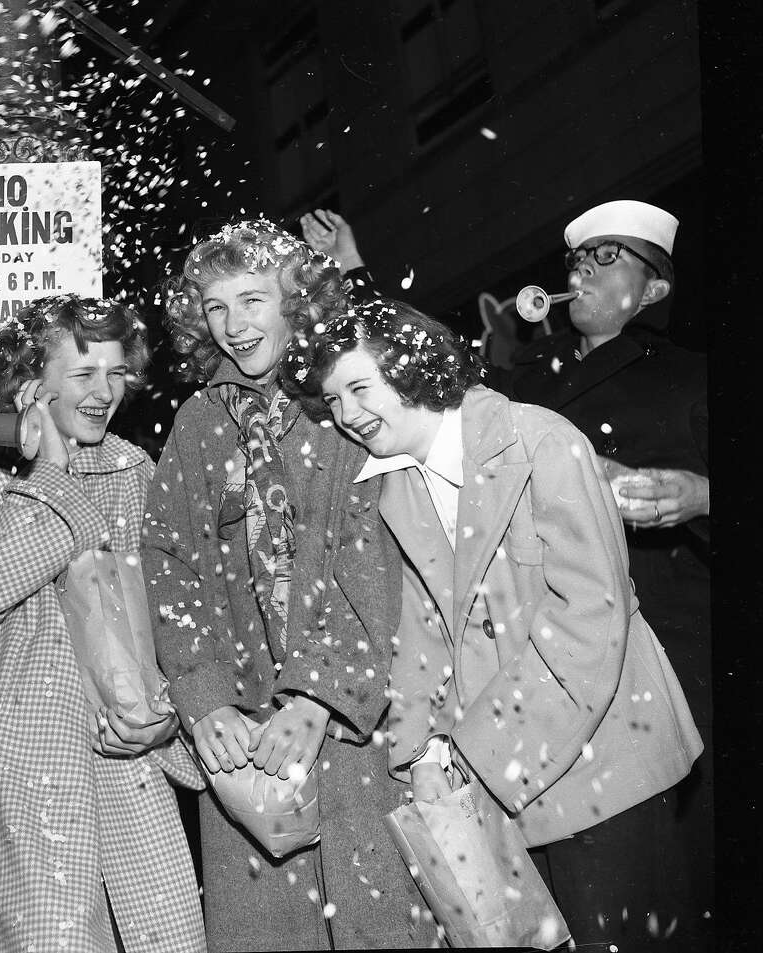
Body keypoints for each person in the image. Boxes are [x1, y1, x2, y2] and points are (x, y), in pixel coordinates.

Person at [284, 295, 704, 950]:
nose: (347, 415)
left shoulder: (540, 440)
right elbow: (423, 629)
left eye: (359, 388)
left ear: (411, 365)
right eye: (334, 401)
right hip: (512, 781)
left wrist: (476, 752)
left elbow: (589, 618)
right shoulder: (399, 484)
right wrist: (420, 749)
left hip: (606, 768)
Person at [142, 219, 432, 951]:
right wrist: (204, 700)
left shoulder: (339, 403)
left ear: (295, 300)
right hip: (247, 741)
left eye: (252, 299)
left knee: (384, 920)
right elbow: (170, 562)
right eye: (215, 306)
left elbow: (375, 552)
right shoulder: (198, 424)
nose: (235, 325)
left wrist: (318, 693)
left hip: (361, 719)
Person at [0, 295, 206, 953]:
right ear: (28, 384)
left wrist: (168, 719)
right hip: (11, 780)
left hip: (122, 775)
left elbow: (172, 623)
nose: (106, 391)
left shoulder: (132, 469)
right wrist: (51, 473)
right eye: (83, 374)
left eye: (117, 372)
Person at [496, 199, 712, 946]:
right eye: (577, 259)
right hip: (550, 653)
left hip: (674, 657)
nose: (581, 269)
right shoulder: (521, 380)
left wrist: (702, 494)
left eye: (607, 256)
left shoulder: (691, 376)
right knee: (578, 891)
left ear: (652, 290)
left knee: (676, 878)